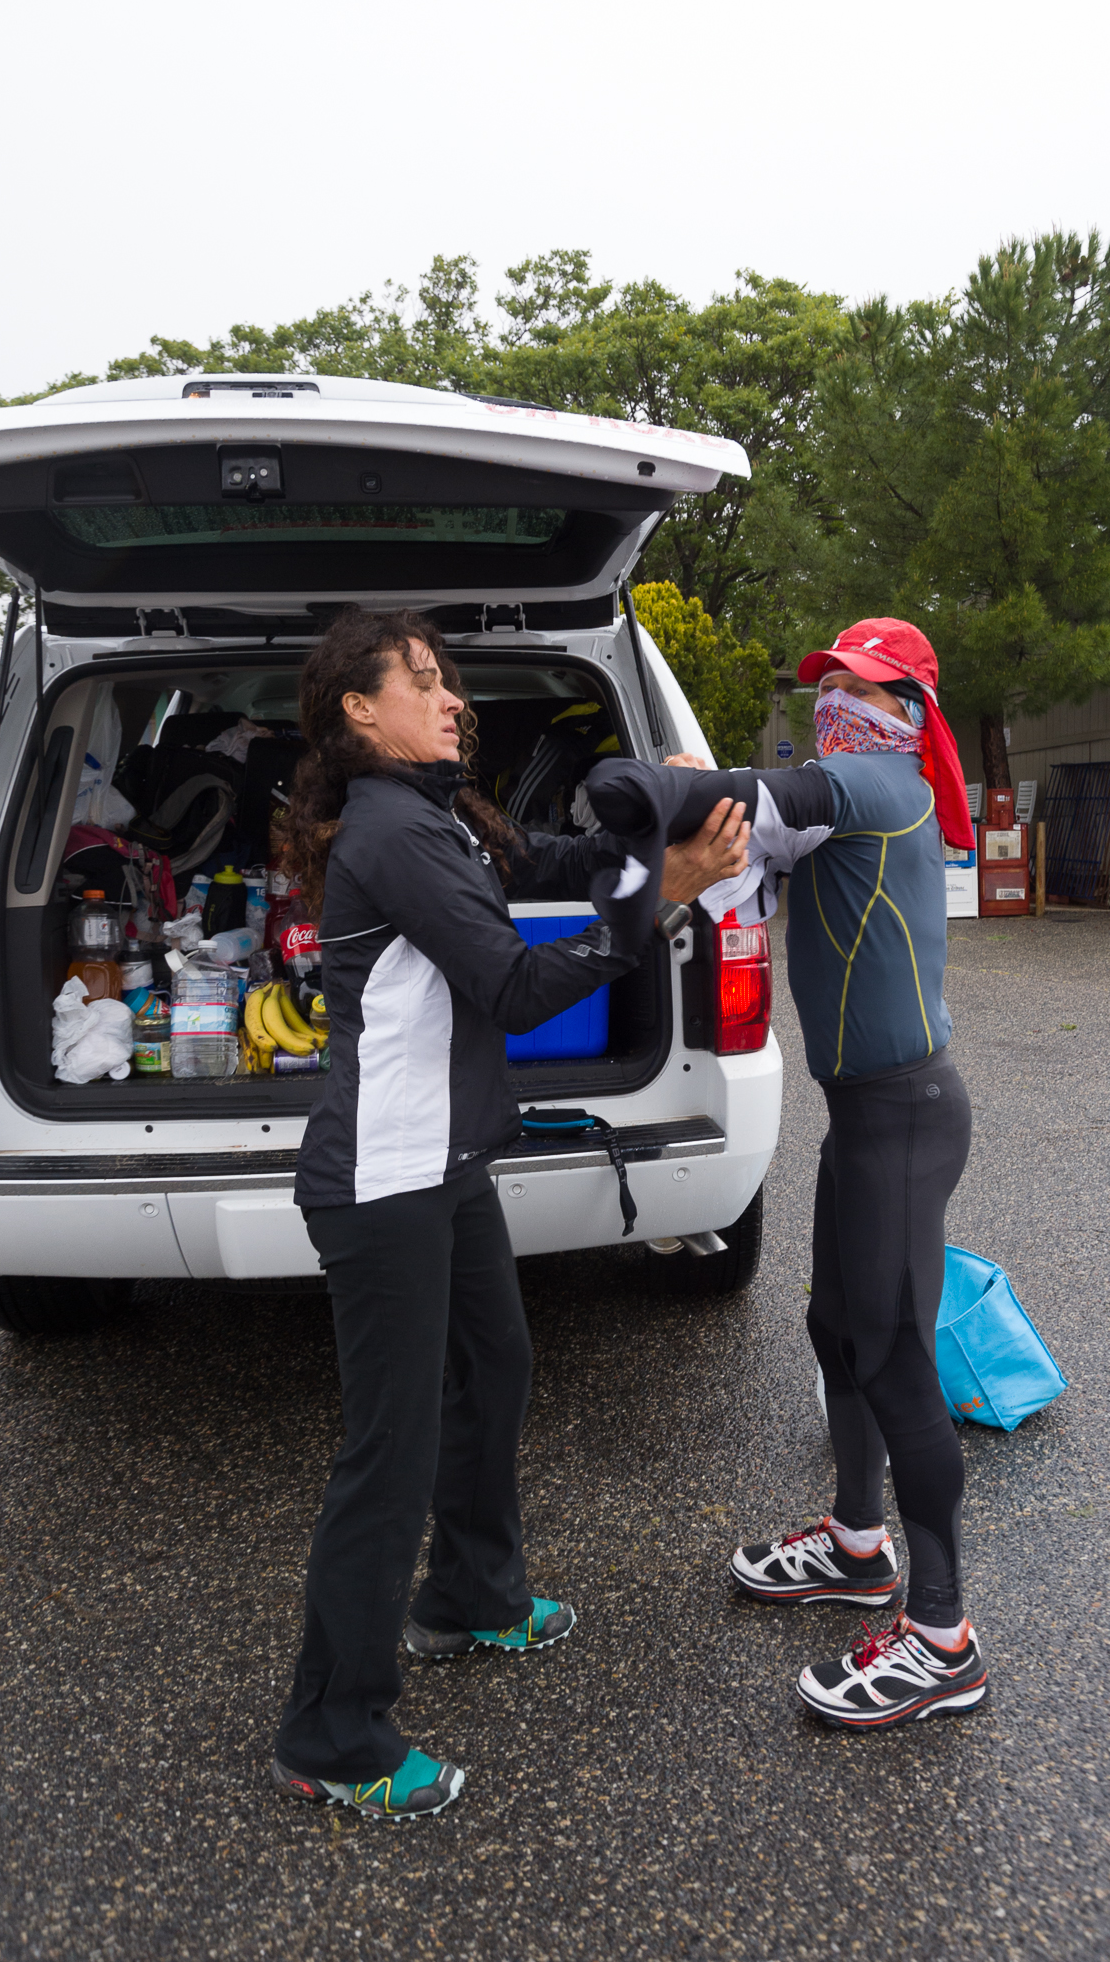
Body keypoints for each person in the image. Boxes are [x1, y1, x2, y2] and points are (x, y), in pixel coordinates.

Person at [269, 608, 749, 1819]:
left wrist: (656, 825)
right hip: (383, 1183)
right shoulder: (390, 832)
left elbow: (543, 861)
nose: (450, 699)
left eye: (446, 681)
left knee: (495, 1367)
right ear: (357, 713)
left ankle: (469, 1595)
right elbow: (521, 988)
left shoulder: (439, 815)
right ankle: (333, 1733)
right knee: (390, 1451)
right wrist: (668, 899)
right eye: (420, 683)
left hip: (444, 1163)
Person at [583, 617, 986, 1730]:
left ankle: (943, 1636)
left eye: (857, 683)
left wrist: (657, 784)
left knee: (898, 1357)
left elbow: (684, 800)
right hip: (867, 1120)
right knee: (836, 1332)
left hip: (902, 1119)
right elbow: (741, 833)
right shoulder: (848, 792)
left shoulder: (871, 781)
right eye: (825, 681)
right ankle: (859, 1545)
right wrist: (697, 794)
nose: (833, 699)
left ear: (905, 705)